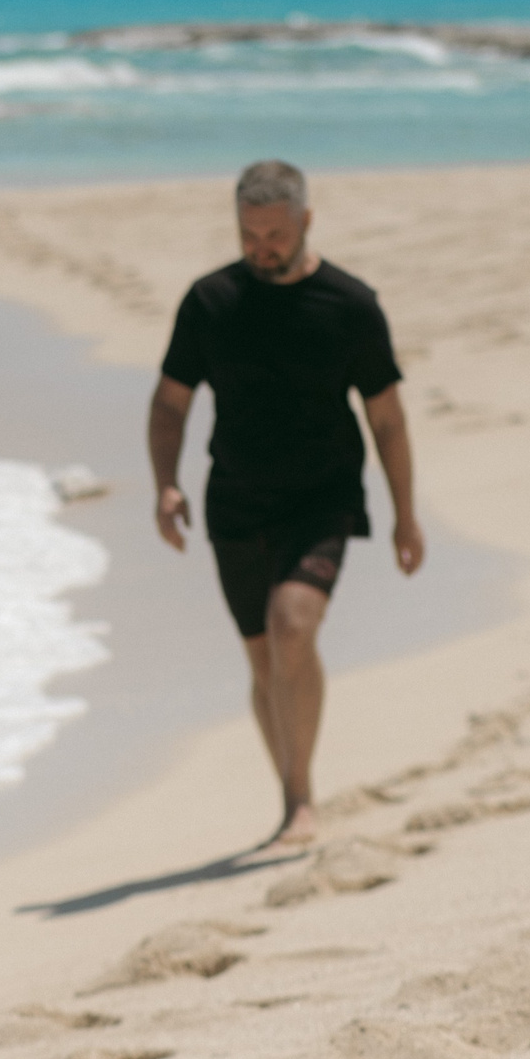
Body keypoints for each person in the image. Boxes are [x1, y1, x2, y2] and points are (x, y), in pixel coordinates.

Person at [147, 159, 422, 853]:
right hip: (235, 500)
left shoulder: (350, 305)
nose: (261, 247)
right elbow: (170, 401)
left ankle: (300, 801)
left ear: (306, 221)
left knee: (292, 624)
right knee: (263, 658)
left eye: (274, 233)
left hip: (323, 495)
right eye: (249, 234)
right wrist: (165, 482)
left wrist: (405, 513)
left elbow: (387, 416)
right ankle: (292, 791)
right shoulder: (211, 302)